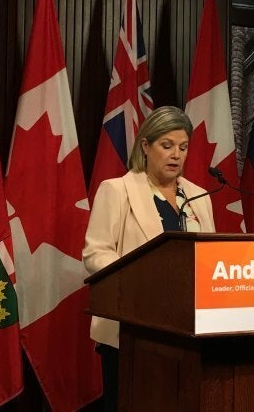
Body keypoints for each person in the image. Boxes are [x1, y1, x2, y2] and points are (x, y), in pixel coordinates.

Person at [83, 105, 216, 411]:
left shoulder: (199, 197)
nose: (176, 155)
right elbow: (95, 253)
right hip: (131, 332)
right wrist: (140, 280)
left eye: (183, 147)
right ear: (146, 145)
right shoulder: (117, 190)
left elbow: (210, 257)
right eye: (167, 146)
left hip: (190, 332)